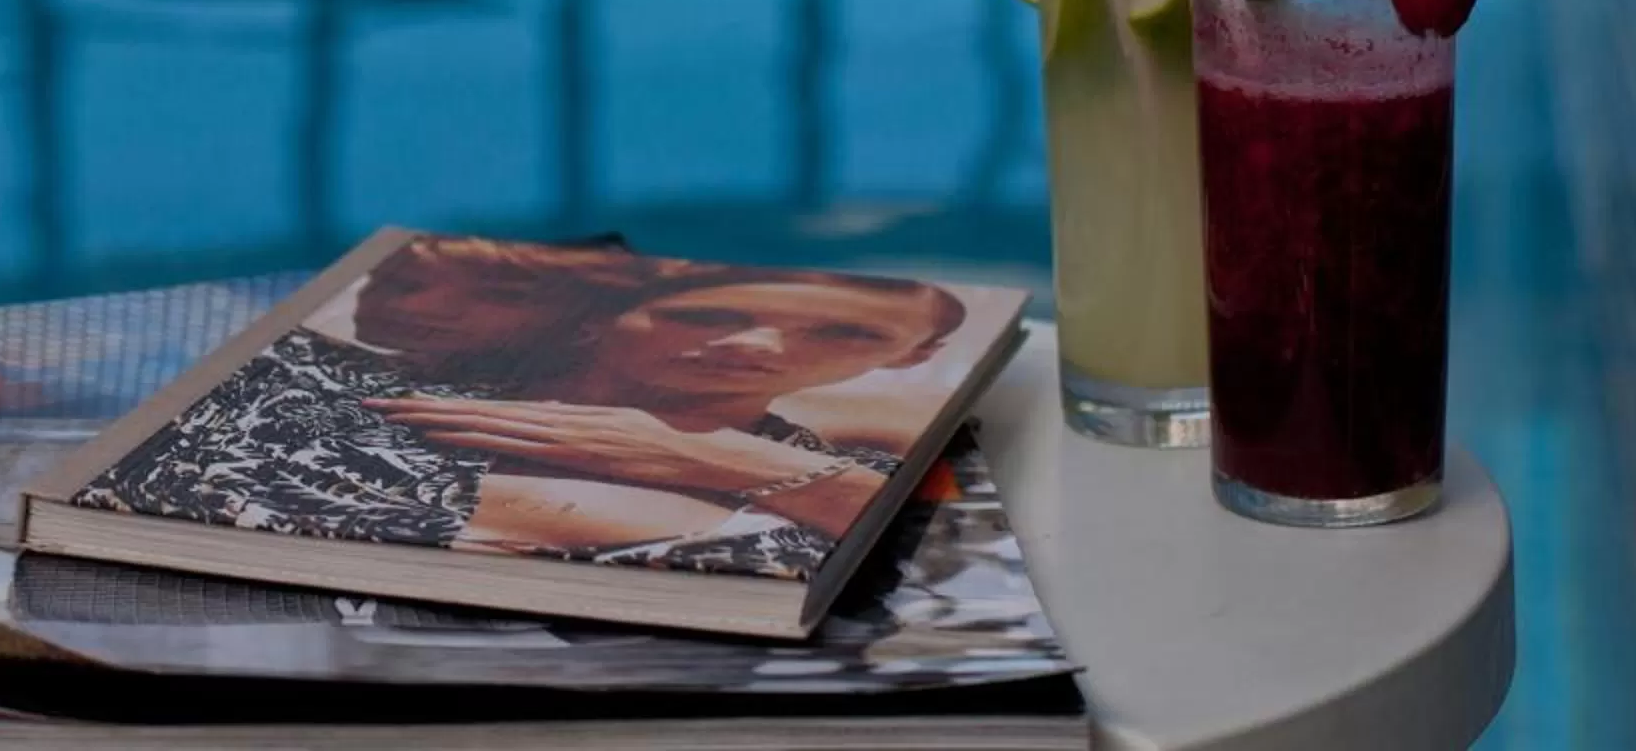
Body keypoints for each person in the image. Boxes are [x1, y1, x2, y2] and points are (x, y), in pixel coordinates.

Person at [369, 273, 969, 572]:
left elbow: (955, 561)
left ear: (910, 356)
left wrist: (723, 459)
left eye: (846, 332)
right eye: (704, 315)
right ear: (600, 317)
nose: (752, 345)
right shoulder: (348, 382)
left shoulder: (870, 467)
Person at [71, 236, 655, 543]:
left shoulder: (607, 425)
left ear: (588, 324)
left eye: (503, 295)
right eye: (401, 280)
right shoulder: (288, 362)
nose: (418, 307)